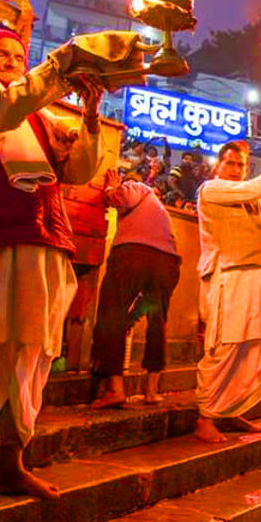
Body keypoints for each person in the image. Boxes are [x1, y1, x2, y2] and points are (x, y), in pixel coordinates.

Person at [0, 24, 140, 520]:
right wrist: (59, 68)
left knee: (31, 362)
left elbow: (79, 172)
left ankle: (10, 463)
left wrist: (88, 114)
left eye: (19, 55)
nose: (12, 61)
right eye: (1, 54)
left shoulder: (35, 114)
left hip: (45, 243)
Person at [194, 141, 261, 443]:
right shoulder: (211, 189)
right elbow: (254, 188)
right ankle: (205, 417)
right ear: (217, 167)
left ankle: (230, 408)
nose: (236, 170)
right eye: (230, 163)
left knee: (255, 349)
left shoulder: (247, 197)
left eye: (241, 165)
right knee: (226, 348)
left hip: (259, 278)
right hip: (232, 278)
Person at [90, 169, 181, 408]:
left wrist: (111, 189)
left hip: (132, 255)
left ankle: (115, 389)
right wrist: (134, 315)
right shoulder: (160, 212)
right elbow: (146, 302)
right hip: (168, 261)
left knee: (111, 315)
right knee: (158, 320)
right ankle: (151, 390)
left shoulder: (140, 188)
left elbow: (125, 198)